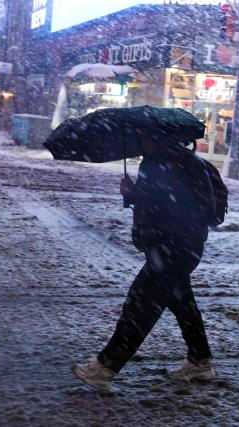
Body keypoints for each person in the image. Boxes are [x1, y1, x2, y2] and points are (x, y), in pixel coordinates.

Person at [71, 130, 216, 390]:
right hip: (184, 248)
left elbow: (162, 207)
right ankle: (200, 361)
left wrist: (134, 195)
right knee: (183, 305)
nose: (141, 142)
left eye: (143, 137)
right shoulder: (186, 160)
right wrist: (134, 194)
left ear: (158, 138)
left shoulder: (159, 164)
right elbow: (172, 203)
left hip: (169, 250)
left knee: (140, 307)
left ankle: (105, 367)